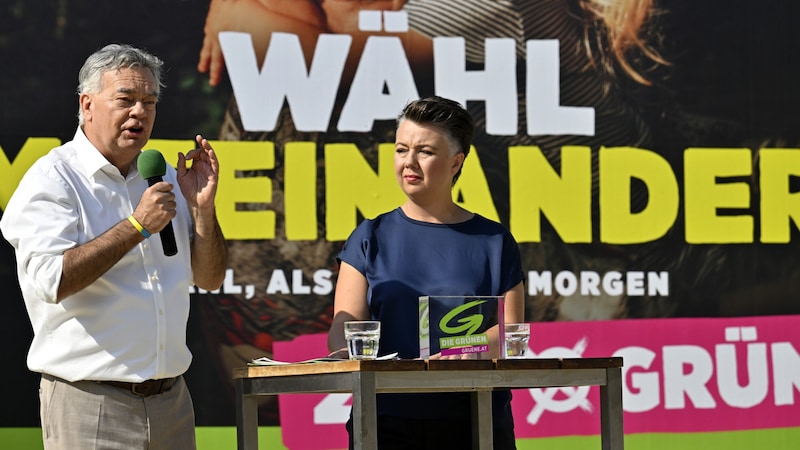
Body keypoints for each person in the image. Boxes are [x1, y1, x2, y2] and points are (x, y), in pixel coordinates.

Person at [0, 43, 228, 449]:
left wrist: (204, 210)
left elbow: (210, 279)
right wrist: (137, 225)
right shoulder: (53, 178)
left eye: (150, 102)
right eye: (125, 99)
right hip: (91, 403)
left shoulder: (163, 178)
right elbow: (53, 280)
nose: (139, 112)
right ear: (87, 104)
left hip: (172, 401)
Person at [327, 96, 526, 450]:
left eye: (425, 151)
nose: (409, 162)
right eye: (402, 149)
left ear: (456, 162)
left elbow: (510, 334)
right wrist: (354, 357)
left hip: (478, 422)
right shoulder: (368, 237)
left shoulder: (494, 241)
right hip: (385, 422)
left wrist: (449, 358)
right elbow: (343, 332)